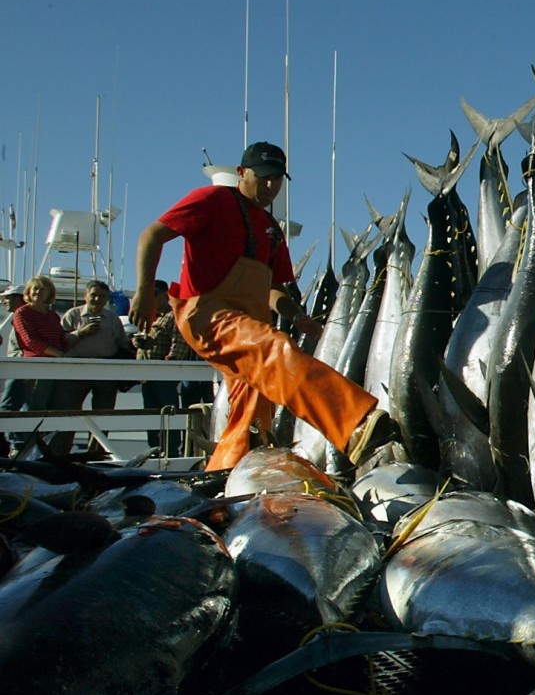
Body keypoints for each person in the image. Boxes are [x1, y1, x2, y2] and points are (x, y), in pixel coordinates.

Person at [129, 141, 393, 471]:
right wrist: (142, 291)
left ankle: (228, 476)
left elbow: (272, 289)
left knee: (253, 411)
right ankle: (355, 425)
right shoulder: (210, 200)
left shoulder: (272, 231)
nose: (271, 186)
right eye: (264, 177)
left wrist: (298, 318)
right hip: (208, 316)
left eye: (278, 179)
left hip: (248, 325)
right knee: (275, 348)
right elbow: (151, 235)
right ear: (242, 173)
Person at [11, 275, 84, 451]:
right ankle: (25, 449)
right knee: (34, 408)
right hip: (37, 366)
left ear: (49, 293)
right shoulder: (22, 313)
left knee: (60, 407)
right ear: (28, 292)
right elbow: (29, 341)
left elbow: (61, 338)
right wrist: (58, 354)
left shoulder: (51, 315)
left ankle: (51, 451)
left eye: (42, 289)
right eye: (35, 288)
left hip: (57, 366)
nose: (38, 291)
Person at [61, 279, 132, 418]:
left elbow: (122, 344)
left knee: (103, 414)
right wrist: (81, 333)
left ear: (107, 299)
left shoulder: (113, 319)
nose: (97, 299)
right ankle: (65, 440)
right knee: (69, 411)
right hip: (77, 368)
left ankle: (98, 441)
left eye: (102, 296)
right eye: (93, 295)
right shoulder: (72, 315)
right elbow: (60, 342)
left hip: (105, 369)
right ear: (85, 295)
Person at [133, 279, 188, 455]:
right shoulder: (149, 316)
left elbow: (178, 344)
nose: (151, 298)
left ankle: (171, 453)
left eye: (154, 294)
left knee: (169, 416)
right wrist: (137, 342)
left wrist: (169, 362)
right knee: (151, 417)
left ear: (165, 295)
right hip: (146, 375)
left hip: (164, 376)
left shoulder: (173, 315)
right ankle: (155, 451)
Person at [0, 284, 26, 455]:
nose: (4, 301)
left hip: (22, 368)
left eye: (8, 297)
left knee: (9, 406)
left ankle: (16, 445)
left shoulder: (22, 317)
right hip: (17, 368)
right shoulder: (16, 318)